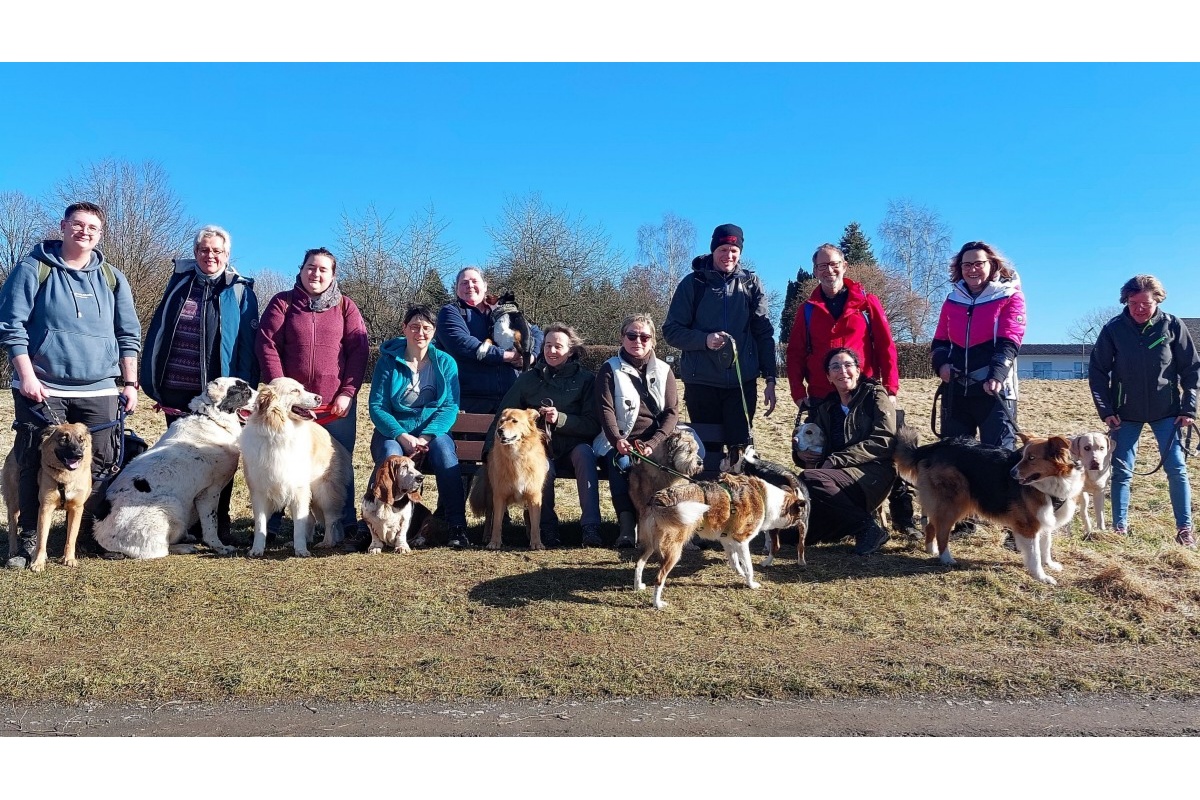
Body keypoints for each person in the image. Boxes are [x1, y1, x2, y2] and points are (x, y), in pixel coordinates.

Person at [0, 202, 141, 569]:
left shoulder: (112, 277)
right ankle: (30, 538)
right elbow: (11, 326)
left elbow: (128, 333)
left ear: (100, 233)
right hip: (43, 385)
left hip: (99, 387)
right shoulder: (34, 268)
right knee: (33, 456)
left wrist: (130, 382)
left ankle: (89, 537)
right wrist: (27, 374)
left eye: (92, 227)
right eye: (77, 225)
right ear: (63, 226)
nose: (84, 232)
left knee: (104, 460)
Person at [785, 242, 916, 536]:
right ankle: (836, 515)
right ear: (815, 271)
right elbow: (794, 353)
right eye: (821, 266)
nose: (828, 270)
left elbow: (885, 346)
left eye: (834, 264)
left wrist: (890, 387)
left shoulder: (867, 303)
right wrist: (797, 391)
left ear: (844, 266)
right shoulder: (806, 310)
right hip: (821, 394)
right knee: (818, 454)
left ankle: (903, 518)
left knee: (888, 449)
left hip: (864, 391)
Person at [140, 224, 260, 544]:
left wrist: (246, 389)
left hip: (223, 394)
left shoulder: (240, 291)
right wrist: (152, 380)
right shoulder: (179, 283)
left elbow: (249, 344)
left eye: (217, 251)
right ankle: (186, 524)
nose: (210, 256)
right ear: (195, 253)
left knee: (221, 456)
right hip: (178, 386)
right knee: (182, 458)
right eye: (204, 250)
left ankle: (219, 523)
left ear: (227, 255)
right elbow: (161, 330)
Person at [256, 247, 369, 544]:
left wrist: (347, 392)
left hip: (335, 405)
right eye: (310, 267)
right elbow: (267, 344)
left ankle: (344, 528)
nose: (315, 274)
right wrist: (281, 389)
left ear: (333, 275)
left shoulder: (346, 307)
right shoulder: (283, 303)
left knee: (336, 466)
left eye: (322, 269)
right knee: (279, 461)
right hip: (290, 406)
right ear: (301, 269)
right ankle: (272, 529)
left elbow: (359, 352)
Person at [1088, 275, 1198, 546]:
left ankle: (1185, 529)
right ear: (1125, 300)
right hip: (1124, 414)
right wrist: (1106, 411)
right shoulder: (1113, 329)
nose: (1139, 308)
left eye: (1145, 303)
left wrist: (1189, 408)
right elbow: (1098, 372)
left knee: (1176, 469)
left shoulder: (1172, 325)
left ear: (1157, 300)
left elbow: (1191, 369)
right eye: (1133, 302)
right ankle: (1119, 527)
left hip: (1168, 412)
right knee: (1121, 470)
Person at [662, 224, 776, 471]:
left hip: (741, 383)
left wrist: (770, 377)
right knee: (707, 454)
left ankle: (740, 507)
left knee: (740, 454)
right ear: (713, 250)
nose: (729, 255)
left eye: (734, 249)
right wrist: (704, 340)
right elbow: (671, 331)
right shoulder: (694, 283)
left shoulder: (751, 284)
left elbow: (764, 333)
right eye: (723, 249)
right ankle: (711, 504)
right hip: (701, 383)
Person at [487, 323, 601, 548]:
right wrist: (488, 452)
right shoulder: (528, 379)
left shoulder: (585, 380)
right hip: (537, 451)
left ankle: (591, 527)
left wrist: (561, 419)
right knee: (542, 465)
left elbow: (592, 424)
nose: (551, 351)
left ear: (571, 350)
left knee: (585, 456)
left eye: (558, 346)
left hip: (572, 446)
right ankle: (547, 529)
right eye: (548, 345)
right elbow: (504, 413)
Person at [369, 305, 469, 548]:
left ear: (434, 331)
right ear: (404, 329)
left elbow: (449, 407)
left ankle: (456, 526)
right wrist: (402, 435)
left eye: (426, 328)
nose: (420, 332)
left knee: (447, 455)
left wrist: (426, 436)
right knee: (390, 456)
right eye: (414, 327)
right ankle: (374, 527)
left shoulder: (445, 363)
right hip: (393, 432)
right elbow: (377, 406)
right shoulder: (388, 362)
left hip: (432, 433)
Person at [796, 347, 895, 556]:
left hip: (872, 473)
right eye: (835, 367)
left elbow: (884, 440)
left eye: (848, 365)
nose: (843, 371)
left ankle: (868, 528)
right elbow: (809, 438)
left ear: (858, 371)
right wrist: (801, 453)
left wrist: (837, 460)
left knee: (811, 478)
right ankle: (848, 526)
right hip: (835, 480)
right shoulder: (827, 407)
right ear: (828, 376)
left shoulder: (874, 395)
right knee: (794, 534)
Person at [930, 240, 1026, 450]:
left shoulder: (1009, 296)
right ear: (959, 268)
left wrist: (996, 375)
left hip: (994, 391)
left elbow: (1009, 342)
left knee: (997, 459)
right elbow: (939, 342)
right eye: (966, 265)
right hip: (956, 390)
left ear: (992, 265)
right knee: (952, 460)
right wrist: (942, 366)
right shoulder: (952, 299)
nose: (972, 269)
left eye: (978, 263)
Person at [595, 314, 679, 548]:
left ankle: (671, 526)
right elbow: (605, 409)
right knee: (621, 465)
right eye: (631, 335)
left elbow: (672, 413)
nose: (638, 341)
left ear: (653, 341)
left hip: (656, 442)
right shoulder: (609, 369)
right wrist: (617, 440)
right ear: (622, 338)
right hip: (620, 440)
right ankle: (627, 527)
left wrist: (654, 442)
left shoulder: (664, 370)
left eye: (644, 336)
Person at [435, 266, 543, 415]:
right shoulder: (450, 312)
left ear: (485, 286)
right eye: (464, 283)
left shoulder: (502, 311)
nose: (470, 286)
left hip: (512, 399)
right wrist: (507, 356)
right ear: (456, 289)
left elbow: (536, 333)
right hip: (469, 402)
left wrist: (530, 356)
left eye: (474, 281)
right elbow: (462, 344)